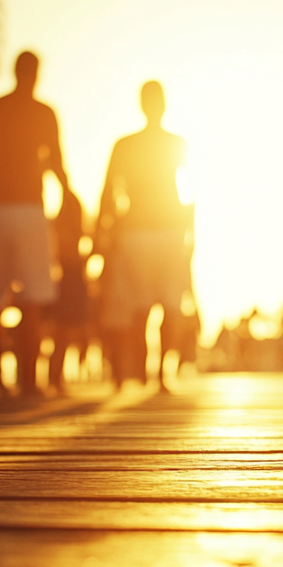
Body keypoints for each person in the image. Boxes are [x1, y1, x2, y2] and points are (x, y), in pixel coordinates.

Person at [0, 51, 70, 396]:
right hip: (28, 209)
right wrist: (70, 196)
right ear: (36, 74)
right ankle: (29, 378)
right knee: (33, 296)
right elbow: (56, 162)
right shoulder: (44, 113)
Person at [96, 81, 195, 392]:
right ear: (162, 104)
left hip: (139, 231)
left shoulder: (125, 145)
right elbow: (191, 195)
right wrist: (191, 234)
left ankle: (147, 371)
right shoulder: (175, 143)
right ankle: (160, 375)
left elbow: (107, 192)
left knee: (143, 305)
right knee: (166, 304)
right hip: (163, 230)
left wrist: (104, 232)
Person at [47, 190, 93, 393]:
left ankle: (56, 379)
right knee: (64, 333)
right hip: (70, 282)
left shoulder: (63, 230)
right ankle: (55, 380)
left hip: (71, 281)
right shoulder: (65, 232)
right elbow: (64, 257)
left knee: (67, 334)